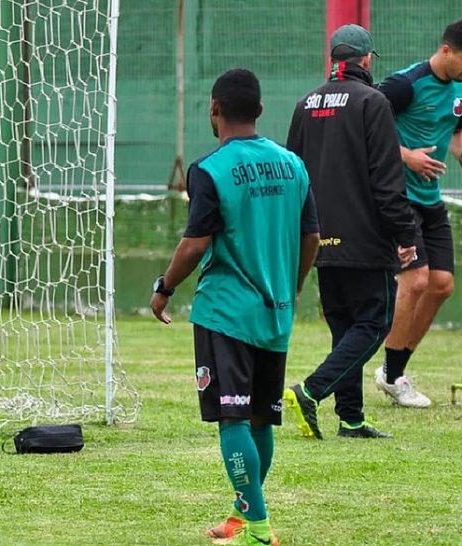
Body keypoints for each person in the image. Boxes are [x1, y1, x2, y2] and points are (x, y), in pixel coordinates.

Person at [150, 68, 320, 546]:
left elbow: (194, 243)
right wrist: (295, 284)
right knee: (262, 417)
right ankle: (243, 516)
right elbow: (311, 236)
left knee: (232, 418)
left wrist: (164, 286)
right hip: (275, 310)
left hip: (226, 312)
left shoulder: (210, 169)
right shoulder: (293, 164)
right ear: (261, 111)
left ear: (214, 109)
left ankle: (260, 530)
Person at [284, 24, 417, 440]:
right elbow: (386, 178)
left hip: (319, 238)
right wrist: (405, 232)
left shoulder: (306, 105)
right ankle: (310, 390)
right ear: (365, 59)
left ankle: (352, 420)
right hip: (364, 238)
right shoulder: (372, 102)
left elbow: (294, 175)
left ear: (333, 58)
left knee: (345, 330)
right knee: (373, 324)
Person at [373, 19, 462, 408]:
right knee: (417, 280)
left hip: (430, 198)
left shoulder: (460, 88)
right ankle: (394, 376)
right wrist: (406, 155)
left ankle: (393, 370)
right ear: (446, 51)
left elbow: (456, 132)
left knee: (442, 284)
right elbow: (364, 126)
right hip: (398, 197)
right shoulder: (404, 84)